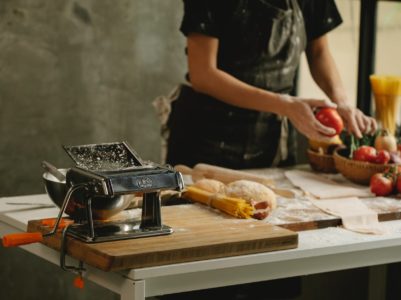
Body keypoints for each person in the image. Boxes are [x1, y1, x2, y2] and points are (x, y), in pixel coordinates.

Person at [164, 0, 377, 171]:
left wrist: (341, 103)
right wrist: (284, 104)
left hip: (273, 137)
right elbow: (203, 75)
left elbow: (319, 52)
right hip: (209, 138)